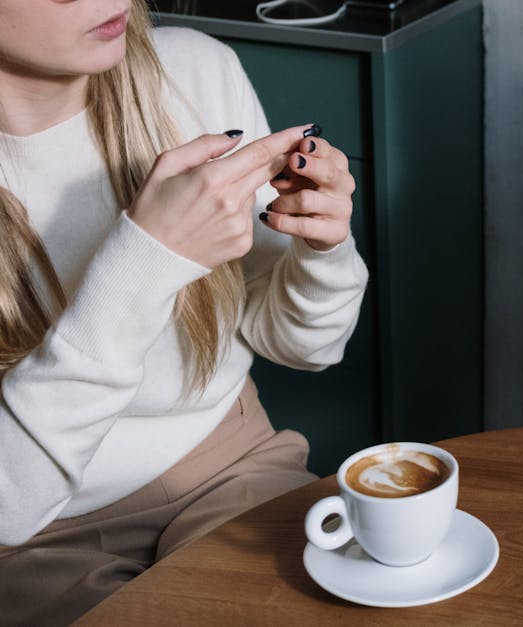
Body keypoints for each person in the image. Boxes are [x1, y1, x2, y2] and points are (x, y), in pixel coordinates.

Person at [0, 1, 369, 622]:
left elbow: (307, 348)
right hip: (35, 535)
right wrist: (144, 262)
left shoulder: (192, 71)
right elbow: (9, 506)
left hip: (234, 463)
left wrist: (321, 250)